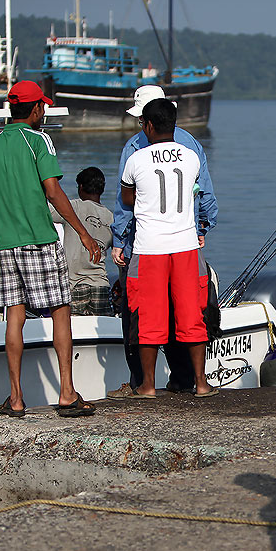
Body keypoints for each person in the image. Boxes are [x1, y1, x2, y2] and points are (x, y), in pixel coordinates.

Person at [0, 80, 101, 417]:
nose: (43, 111)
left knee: (14, 317)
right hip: (38, 241)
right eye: (41, 106)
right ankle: (66, 393)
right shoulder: (39, 140)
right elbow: (54, 191)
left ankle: (15, 398)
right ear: (34, 110)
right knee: (61, 310)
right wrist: (83, 233)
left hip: (6, 246)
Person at [109, 85, 219, 395]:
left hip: (148, 248)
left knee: (146, 317)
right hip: (186, 245)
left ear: (147, 122)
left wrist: (120, 240)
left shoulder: (135, 153)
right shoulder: (192, 151)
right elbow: (206, 196)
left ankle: (145, 385)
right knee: (191, 314)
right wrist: (203, 228)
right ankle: (197, 382)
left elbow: (126, 201)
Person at [50, 166, 114, 316]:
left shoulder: (73, 207)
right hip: (101, 285)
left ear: (80, 187)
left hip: (74, 285)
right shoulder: (111, 218)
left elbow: (43, 210)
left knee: (73, 332)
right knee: (101, 333)